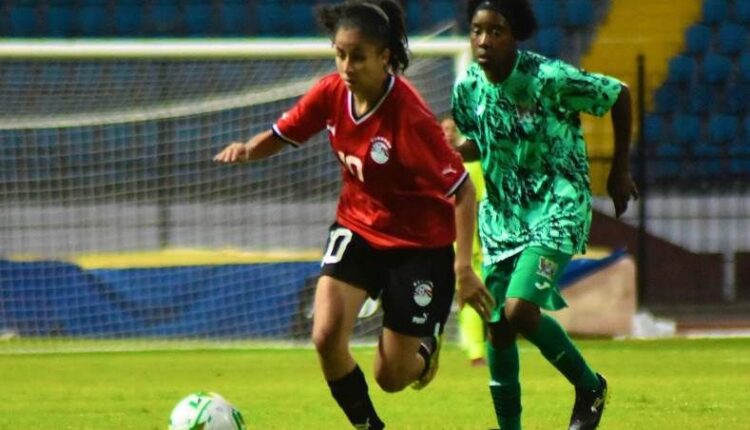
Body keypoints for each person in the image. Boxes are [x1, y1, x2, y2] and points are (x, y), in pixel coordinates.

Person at [214, 1, 492, 429]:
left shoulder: (411, 118)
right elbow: (284, 132)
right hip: (358, 227)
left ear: (384, 57)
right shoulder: (331, 92)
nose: (346, 66)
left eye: (357, 56)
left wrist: (463, 269)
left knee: (391, 377)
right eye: (340, 54)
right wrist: (249, 149)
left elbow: (463, 191)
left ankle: (425, 350)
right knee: (325, 335)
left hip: (418, 246)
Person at [451, 1, 639, 429]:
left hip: (558, 205)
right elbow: (481, 142)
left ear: (515, 34)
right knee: (497, 324)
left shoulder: (548, 78)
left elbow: (619, 94)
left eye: (495, 31)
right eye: (477, 31)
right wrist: (450, 151)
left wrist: (619, 169)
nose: (483, 41)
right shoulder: (467, 87)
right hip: (503, 217)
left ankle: (590, 386)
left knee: (517, 310)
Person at [440, 113, 487, 367]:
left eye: (452, 129)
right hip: (435, 241)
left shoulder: (474, 167)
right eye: (444, 129)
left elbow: (481, 205)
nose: (448, 133)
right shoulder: (428, 162)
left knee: (470, 295)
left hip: (466, 243)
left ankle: (475, 351)